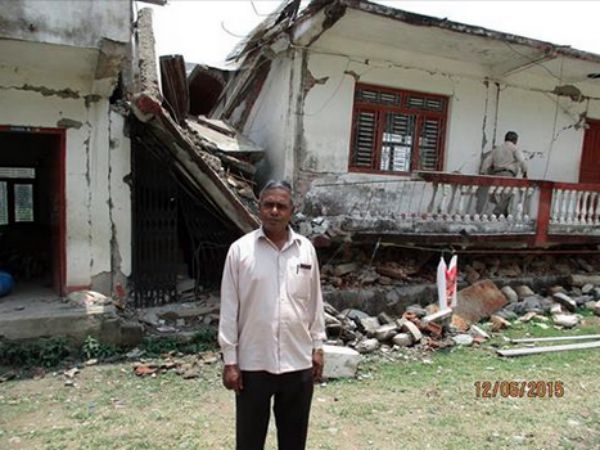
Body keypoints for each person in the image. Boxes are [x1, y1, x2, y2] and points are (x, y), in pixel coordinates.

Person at [218, 179, 326, 450]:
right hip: (254, 363)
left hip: (297, 360)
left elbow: (314, 302)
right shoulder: (240, 251)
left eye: (281, 206)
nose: (274, 211)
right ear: (259, 208)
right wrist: (230, 361)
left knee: (294, 441)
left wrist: (318, 346)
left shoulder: (305, 250)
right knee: (249, 441)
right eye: (269, 205)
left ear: (292, 210)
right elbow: (229, 309)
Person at [480, 131, 528, 215]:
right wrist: (525, 173)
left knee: (499, 196)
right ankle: (497, 213)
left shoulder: (496, 149)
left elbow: (486, 162)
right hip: (508, 175)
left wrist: (482, 173)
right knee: (506, 196)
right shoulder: (514, 149)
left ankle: (503, 215)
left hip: (496, 175)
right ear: (515, 140)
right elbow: (522, 161)